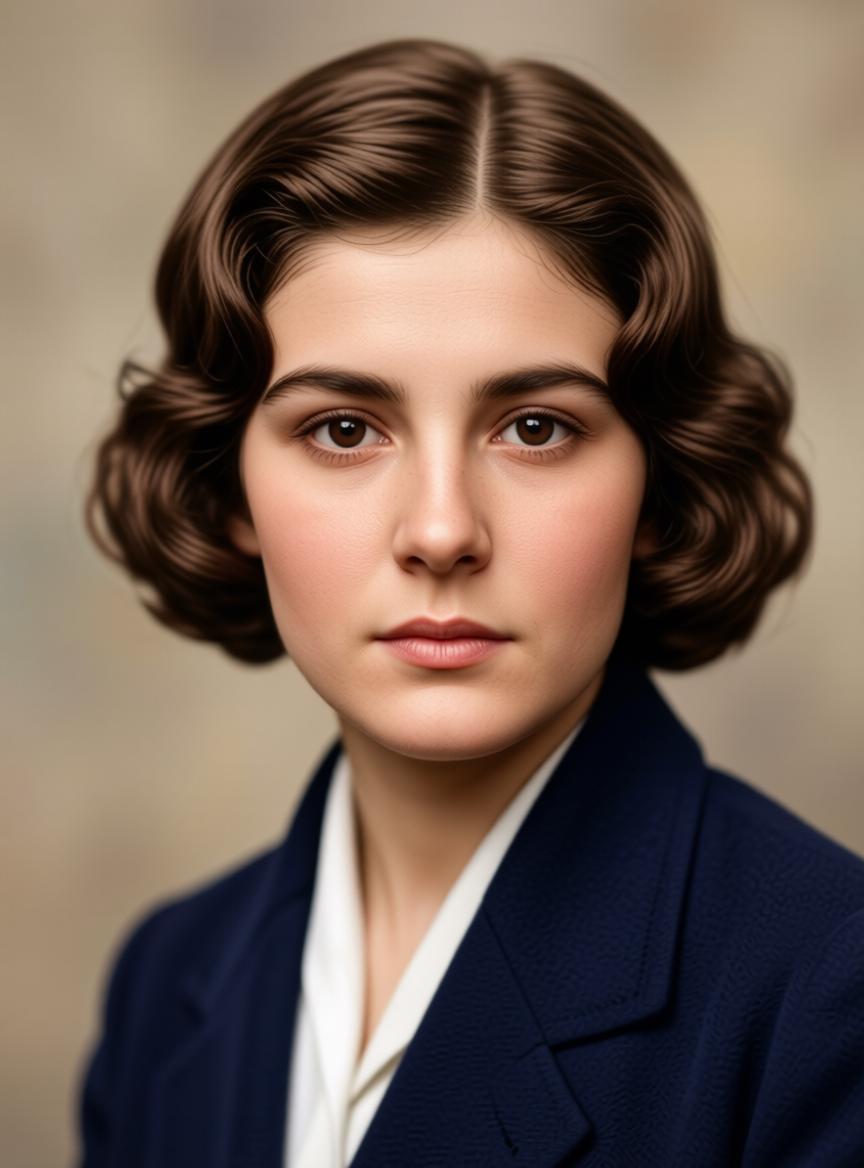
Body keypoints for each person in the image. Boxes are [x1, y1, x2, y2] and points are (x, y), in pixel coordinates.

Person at [76, 36, 864, 1168]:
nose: (441, 530)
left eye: (535, 427)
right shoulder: (165, 983)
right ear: (226, 480)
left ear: (658, 477)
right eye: (343, 429)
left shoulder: (826, 993)